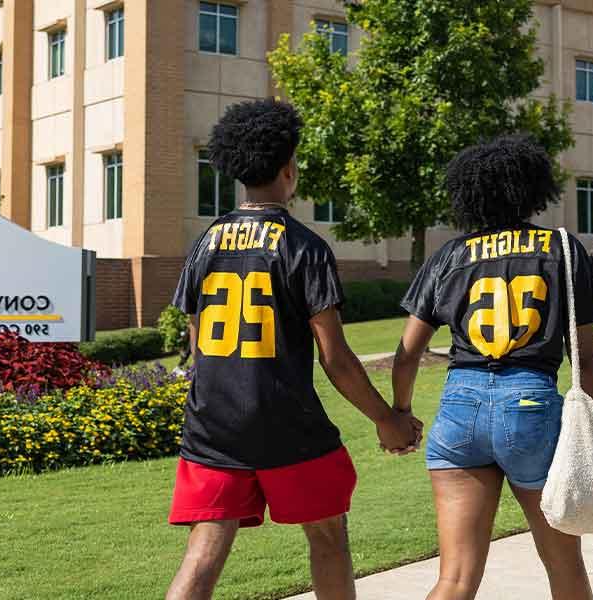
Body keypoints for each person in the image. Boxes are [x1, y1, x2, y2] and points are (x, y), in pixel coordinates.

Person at [166, 100, 421, 600]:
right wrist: (386, 420)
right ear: (289, 169)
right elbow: (336, 358)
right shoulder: (304, 246)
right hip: (287, 422)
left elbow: (197, 342)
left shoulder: (205, 243)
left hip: (213, 425)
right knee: (328, 539)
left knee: (203, 552)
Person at [392, 135, 593, 600]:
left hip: (459, 404)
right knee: (565, 570)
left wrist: (400, 412)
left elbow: (408, 351)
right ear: (531, 188)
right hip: (531, 401)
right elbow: (585, 357)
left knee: (453, 579)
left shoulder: (449, 255)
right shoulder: (560, 247)